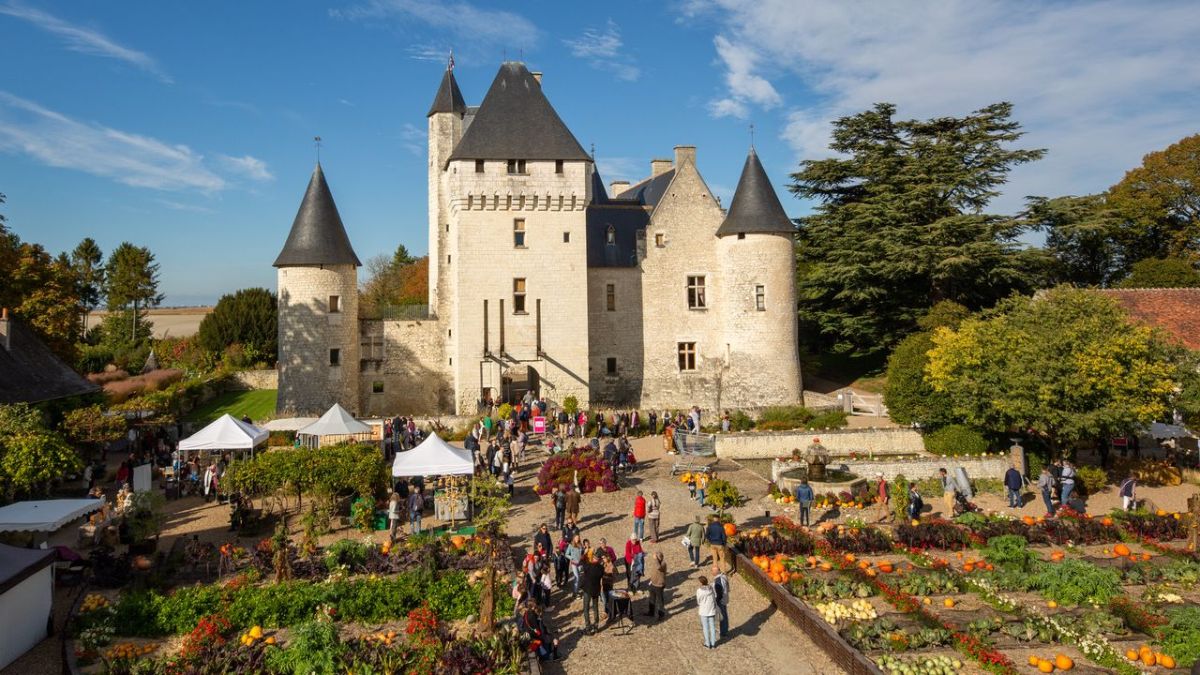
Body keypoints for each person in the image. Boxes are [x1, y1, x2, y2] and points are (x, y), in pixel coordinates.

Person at [580, 553, 603, 635]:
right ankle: (596, 626)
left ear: (593, 558)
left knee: (586, 608)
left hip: (587, 590)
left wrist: (584, 557)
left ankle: (588, 628)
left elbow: (582, 562)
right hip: (596, 590)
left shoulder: (588, 566)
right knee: (595, 608)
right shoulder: (601, 568)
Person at [696, 576, 718, 649]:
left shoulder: (699, 591)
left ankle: (707, 643)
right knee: (712, 627)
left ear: (701, 583)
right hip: (711, 609)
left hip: (703, 611)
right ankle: (713, 643)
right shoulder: (711, 588)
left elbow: (698, 601)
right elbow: (715, 596)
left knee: (705, 627)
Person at [645, 550, 667, 619]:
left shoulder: (663, 563)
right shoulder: (656, 562)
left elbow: (659, 567)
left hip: (659, 585)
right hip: (653, 584)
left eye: (657, 557)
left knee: (660, 601)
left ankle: (661, 615)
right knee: (651, 599)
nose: (655, 558)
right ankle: (651, 612)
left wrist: (656, 559)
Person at [712, 564, 731, 638]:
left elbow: (719, 593)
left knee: (722, 616)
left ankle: (723, 632)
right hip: (725, 598)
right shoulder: (723, 576)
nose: (711, 572)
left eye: (712, 571)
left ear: (715, 572)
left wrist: (716, 601)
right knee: (724, 615)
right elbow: (728, 587)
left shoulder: (718, 581)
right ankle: (725, 630)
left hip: (721, 600)